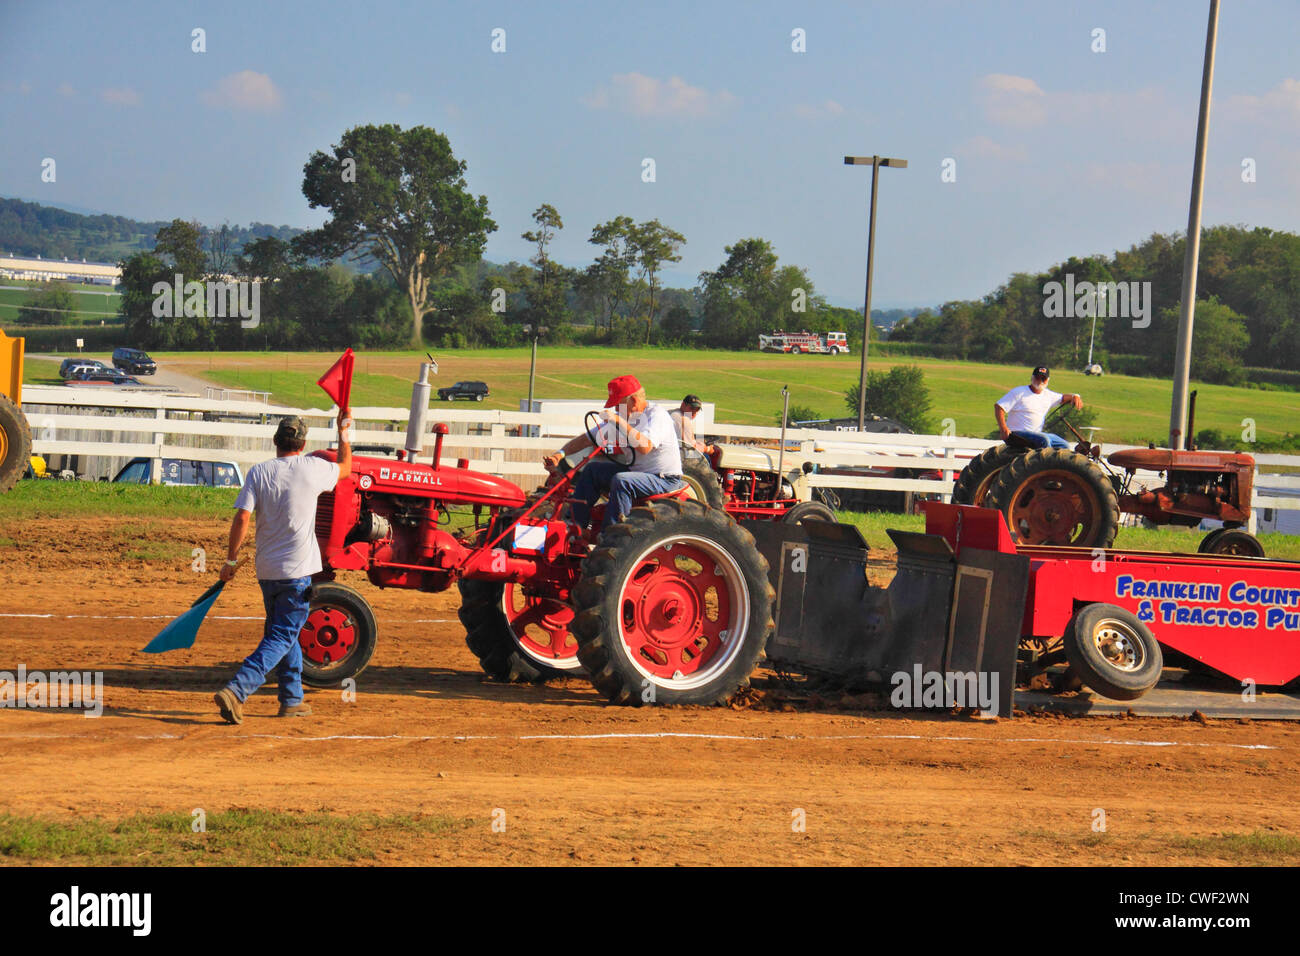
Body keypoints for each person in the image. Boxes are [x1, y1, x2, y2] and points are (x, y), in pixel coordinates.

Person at [212, 412, 352, 724]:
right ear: (303, 444)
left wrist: (231, 560)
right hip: (297, 572)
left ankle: (292, 699)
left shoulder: (259, 472)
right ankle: (237, 690)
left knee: (284, 633)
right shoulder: (312, 468)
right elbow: (346, 468)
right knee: (282, 635)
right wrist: (344, 430)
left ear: (276, 441)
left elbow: (242, 518)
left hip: (267, 571)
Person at [543, 375, 684, 530]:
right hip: (638, 473)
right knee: (592, 470)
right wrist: (560, 454)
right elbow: (587, 439)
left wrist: (618, 422)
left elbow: (645, 446)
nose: (616, 410)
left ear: (634, 401)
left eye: (618, 405)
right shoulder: (625, 419)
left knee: (622, 480)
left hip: (663, 479)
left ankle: (611, 534)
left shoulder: (657, 415)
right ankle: (575, 526)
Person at [994, 366, 1083, 450]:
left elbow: (1063, 398)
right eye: (1037, 378)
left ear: (1047, 380)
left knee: (1064, 445)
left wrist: (1075, 396)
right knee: (1044, 440)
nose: (1040, 381)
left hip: (1036, 433)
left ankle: (1058, 465)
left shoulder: (1048, 395)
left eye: (1043, 379)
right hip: (1017, 433)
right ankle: (1045, 465)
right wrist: (1003, 429)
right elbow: (999, 407)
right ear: (1032, 378)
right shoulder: (1019, 392)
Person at [669, 394, 716, 459]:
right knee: (708, 457)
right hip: (678, 457)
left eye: (697, 409)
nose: (694, 412)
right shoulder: (684, 421)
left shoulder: (672, 413)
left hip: (670, 452)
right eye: (692, 408)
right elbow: (689, 450)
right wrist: (707, 449)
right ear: (683, 405)